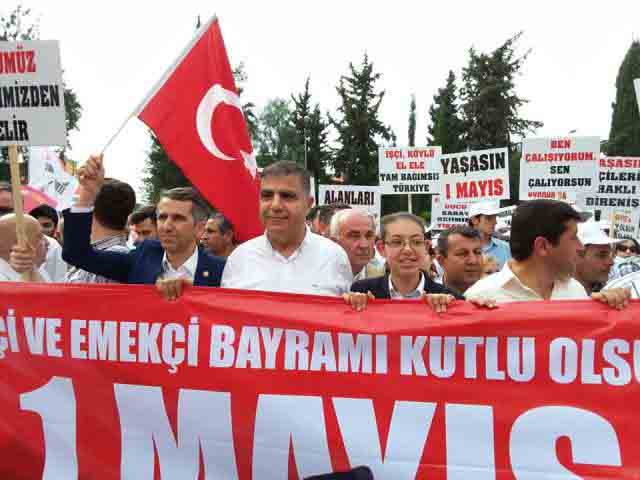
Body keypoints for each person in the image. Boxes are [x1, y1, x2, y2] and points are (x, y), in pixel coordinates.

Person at [62, 155, 225, 295]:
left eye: (178, 218)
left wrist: (193, 292)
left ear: (199, 228)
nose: (167, 226)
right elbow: (77, 254)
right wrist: (87, 195)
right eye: (162, 217)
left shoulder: (222, 271)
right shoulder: (143, 257)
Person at [465, 200, 629, 308]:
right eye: (573, 238)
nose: (580, 247)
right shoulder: (481, 296)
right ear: (542, 246)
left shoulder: (575, 291)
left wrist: (608, 308)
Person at [221, 160, 352, 296]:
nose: (275, 205)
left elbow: (346, 308)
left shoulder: (334, 257)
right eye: (267, 196)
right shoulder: (239, 259)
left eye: (287, 196)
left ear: (308, 204)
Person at [349, 213, 462, 312]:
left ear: (426, 247)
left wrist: (443, 311)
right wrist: (352, 303)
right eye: (397, 242)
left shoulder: (449, 298)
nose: (408, 249)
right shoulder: (362, 291)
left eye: (416, 242)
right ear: (381, 248)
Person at [64, 177, 136, 284]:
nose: (74, 207)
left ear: (89, 209)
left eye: (81, 201)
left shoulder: (115, 256)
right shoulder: (95, 255)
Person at [329, 209, 383, 281]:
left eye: (369, 236)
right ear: (334, 242)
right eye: (354, 236)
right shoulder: (320, 276)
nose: (364, 245)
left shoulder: (384, 277)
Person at [574, 221, 619, 295]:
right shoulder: (559, 295)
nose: (611, 262)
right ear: (576, 256)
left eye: (609, 255)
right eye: (602, 255)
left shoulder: (607, 290)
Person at [436, 226, 483, 295]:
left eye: (477, 252)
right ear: (441, 261)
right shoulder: (427, 296)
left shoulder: (495, 294)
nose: (473, 261)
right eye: (462, 254)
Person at [1, 214, 48, 282]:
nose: (47, 242)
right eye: (39, 237)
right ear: (19, 244)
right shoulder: (3, 280)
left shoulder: (37, 268)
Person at [468, 201, 511, 269]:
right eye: (489, 218)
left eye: (495, 217)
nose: (495, 222)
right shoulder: (461, 248)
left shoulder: (506, 248)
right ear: (474, 220)